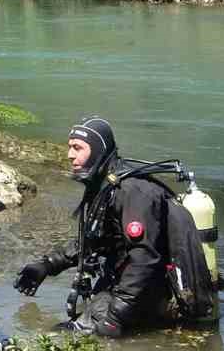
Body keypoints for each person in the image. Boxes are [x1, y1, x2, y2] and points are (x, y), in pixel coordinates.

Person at [12, 116, 193, 337]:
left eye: (78, 148)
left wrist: (116, 316)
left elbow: (145, 260)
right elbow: (95, 239)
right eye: (70, 147)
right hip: (129, 285)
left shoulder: (132, 191)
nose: (70, 155)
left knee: (69, 335)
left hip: (156, 291)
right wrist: (49, 264)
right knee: (72, 326)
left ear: (98, 150)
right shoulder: (105, 185)